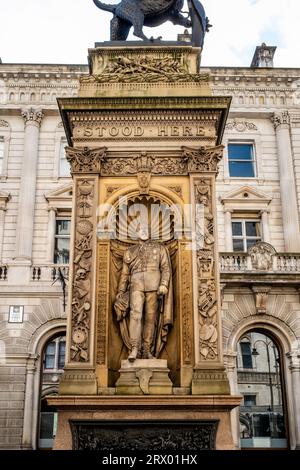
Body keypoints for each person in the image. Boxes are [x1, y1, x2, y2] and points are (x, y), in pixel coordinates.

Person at [114, 226, 173, 362]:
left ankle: (147, 349)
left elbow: (165, 268)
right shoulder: (130, 251)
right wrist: (121, 291)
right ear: (136, 233)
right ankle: (134, 348)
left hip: (154, 285)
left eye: (146, 229)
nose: (144, 231)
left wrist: (164, 284)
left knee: (150, 318)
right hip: (136, 284)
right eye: (141, 229)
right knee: (136, 315)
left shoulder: (160, 248)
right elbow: (125, 274)